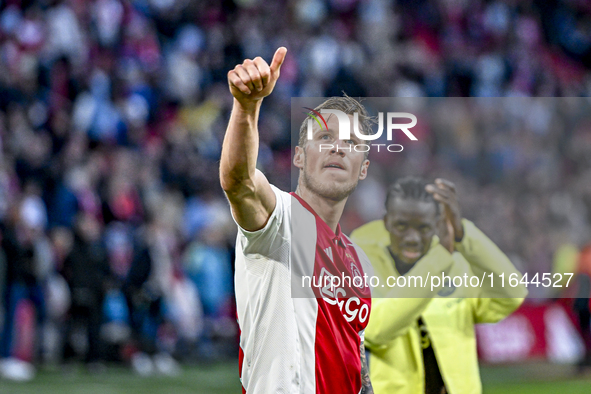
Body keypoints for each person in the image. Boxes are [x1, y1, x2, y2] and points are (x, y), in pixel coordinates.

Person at [220, 47, 374, 393]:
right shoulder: (281, 220)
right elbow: (239, 182)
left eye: (351, 142)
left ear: (363, 168)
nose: (338, 148)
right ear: (299, 158)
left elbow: (357, 367)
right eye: (325, 138)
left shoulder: (359, 263)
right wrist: (247, 108)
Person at [350, 177, 527, 394]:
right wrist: (439, 258)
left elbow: (512, 295)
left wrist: (463, 235)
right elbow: (377, 331)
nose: (412, 238)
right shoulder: (362, 265)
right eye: (401, 226)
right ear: (386, 222)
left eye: (423, 227)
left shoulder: (456, 266)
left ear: (436, 224)